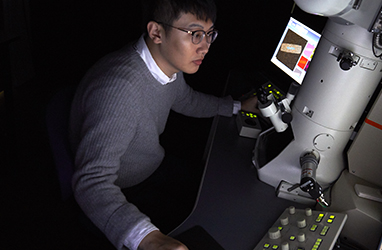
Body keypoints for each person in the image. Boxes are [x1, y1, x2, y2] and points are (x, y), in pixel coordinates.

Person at [69, 0, 257, 249]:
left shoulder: (165, 63)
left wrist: (235, 107)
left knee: (218, 197)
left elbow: (186, 100)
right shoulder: (119, 90)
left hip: (152, 165)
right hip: (121, 189)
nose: (206, 48)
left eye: (210, 35)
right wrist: (149, 239)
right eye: (195, 35)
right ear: (156, 32)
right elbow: (91, 181)